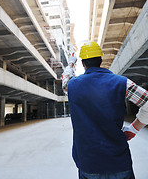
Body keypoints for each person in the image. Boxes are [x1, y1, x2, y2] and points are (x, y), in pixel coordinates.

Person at [62, 41, 148, 179]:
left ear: (83, 64)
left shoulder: (72, 85)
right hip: (119, 161)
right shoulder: (122, 82)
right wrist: (134, 129)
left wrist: (71, 63)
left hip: (88, 163)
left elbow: (65, 79)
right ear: (101, 60)